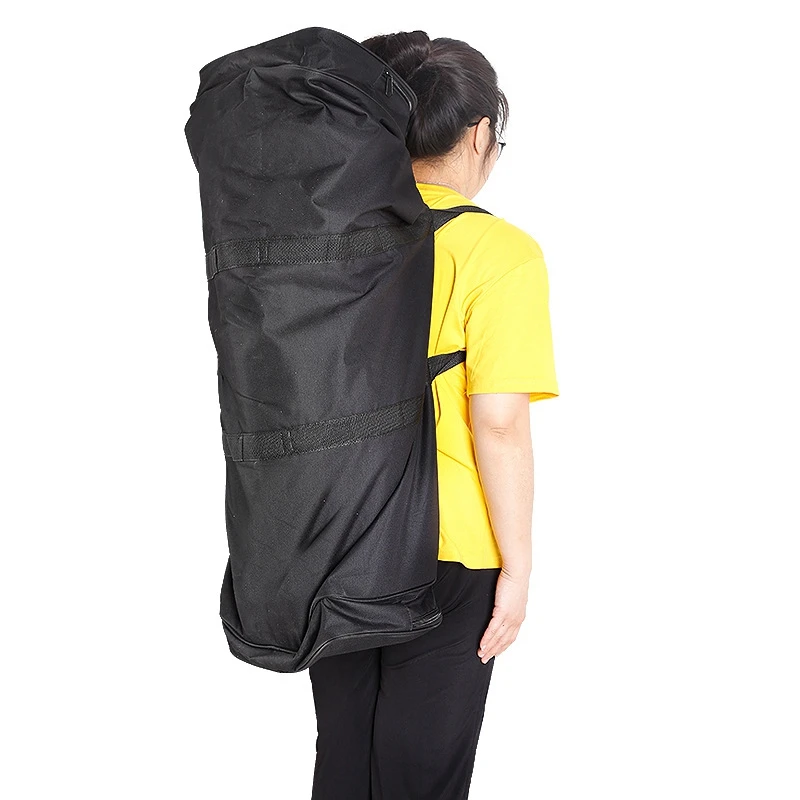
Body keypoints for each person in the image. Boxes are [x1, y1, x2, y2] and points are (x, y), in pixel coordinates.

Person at [308, 30, 560, 800]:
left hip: (333, 538)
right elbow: (499, 423)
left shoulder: (325, 239)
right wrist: (518, 567)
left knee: (346, 762)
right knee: (422, 777)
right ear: (479, 134)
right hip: (449, 549)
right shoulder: (501, 253)